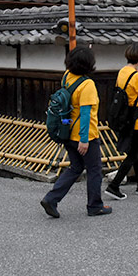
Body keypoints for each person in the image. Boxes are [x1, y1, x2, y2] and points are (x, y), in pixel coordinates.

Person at [41, 46, 112, 218]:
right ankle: (95, 205)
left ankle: (51, 199)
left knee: (76, 167)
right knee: (95, 169)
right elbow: (86, 114)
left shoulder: (67, 76)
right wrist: (84, 139)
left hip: (67, 130)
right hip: (84, 135)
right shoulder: (87, 85)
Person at [105, 43, 138, 200]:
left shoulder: (122, 72)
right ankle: (114, 186)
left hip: (126, 116)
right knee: (134, 154)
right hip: (137, 119)